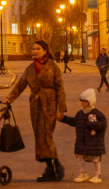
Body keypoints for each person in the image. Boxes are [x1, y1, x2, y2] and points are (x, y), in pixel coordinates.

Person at [4, 40, 67, 181]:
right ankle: (51, 167)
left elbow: (60, 88)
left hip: (49, 104)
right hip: (35, 106)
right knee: (39, 136)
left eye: (38, 49)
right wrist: (9, 98)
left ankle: (55, 166)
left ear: (45, 50)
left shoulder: (53, 67)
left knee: (46, 135)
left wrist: (61, 109)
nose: (35, 51)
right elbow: (20, 85)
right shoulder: (30, 69)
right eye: (33, 49)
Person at [61, 88, 107, 183]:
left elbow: (101, 126)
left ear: (91, 101)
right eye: (81, 101)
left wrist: (92, 121)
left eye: (85, 101)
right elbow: (74, 121)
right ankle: (83, 173)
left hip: (93, 141)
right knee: (80, 156)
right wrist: (63, 119)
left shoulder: (98, 114)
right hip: (81, 141)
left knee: (95, 158)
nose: (83, 103)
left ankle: (97, 175)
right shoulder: (80, 113)